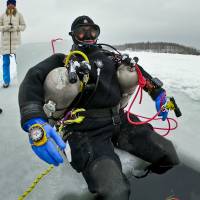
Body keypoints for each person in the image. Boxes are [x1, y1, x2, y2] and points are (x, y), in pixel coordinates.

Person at [18, 16, 179, 200]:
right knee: (115, 191)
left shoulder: (111, 57)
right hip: (85, 131)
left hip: (120, 120)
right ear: (73, 35)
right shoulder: (63, 60)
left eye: (92, 31)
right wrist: (34, 121)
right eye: (81, 31)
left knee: (168, 153)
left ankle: (154, 190)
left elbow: (140, 73)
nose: (88, 35)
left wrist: (157, 94)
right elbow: (32, 78)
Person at [0, 0, 26, 88]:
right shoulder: (3, 15)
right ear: (7, 5)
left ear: (15, 5)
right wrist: (6, 27)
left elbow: (23, 26)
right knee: (5, 63)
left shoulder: (19, 15)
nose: (11, 5)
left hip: (16, 43)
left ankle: (22, 79)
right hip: (5, 43)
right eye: (9, 4)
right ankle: (6, 81)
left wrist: (16, 27)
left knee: (19, 62)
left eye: (12, 4)